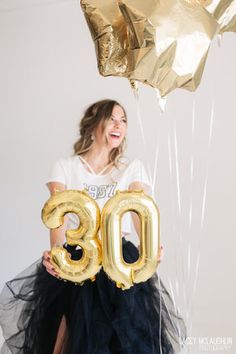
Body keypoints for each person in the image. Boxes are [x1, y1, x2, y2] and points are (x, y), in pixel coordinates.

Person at [0, 99, 186, 354]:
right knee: (69, 334)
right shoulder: (65, 167)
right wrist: (56, 253)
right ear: (93, 124)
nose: (119, 125)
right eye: (112, 118)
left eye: (123, 121)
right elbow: (59, 215)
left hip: (119, 259)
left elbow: (139, 212)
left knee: (125, 336)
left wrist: (150, 248)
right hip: (78, 258)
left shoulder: (131, 168)